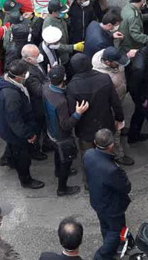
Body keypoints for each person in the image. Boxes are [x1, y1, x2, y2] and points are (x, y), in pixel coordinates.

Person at [67, 53, 126, 183]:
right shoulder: (104, 78)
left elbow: (72, 111)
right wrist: (119, 118)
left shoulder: (72, 86)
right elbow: (115, 102)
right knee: (107, 154)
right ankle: (109, 178)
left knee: (88, 157)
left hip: (85, 129)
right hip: (105, 124)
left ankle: (89, 183)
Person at [83, 128, 131, 260]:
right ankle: (102, 255)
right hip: (111, 206)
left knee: (105, 225)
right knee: (115, 231)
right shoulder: (112, 169)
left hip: (96, 199)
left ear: (95, 142)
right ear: (111, 145)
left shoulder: (88, 154)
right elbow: (126, 187)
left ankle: (110, 248)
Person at [0, 60, 44, 189]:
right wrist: (29, 135)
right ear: (18, 77)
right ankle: (26, 180)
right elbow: (15, 120)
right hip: (16, 132)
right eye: (25, 74)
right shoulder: (12, 95)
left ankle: (8, 159)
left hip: (10, 129)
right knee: (23, 158)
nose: (26, 75)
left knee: (13, 148)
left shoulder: (10, 83)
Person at [42, 66, 83, 196]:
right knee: (65, 161)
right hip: (62, 136)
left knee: (57, 154)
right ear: (64, 77)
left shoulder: (45, 87)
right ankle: (62, 188)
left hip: (51, 131)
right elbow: (66, 125)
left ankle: (57, 171)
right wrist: (78, 113)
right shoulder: (61, 101)